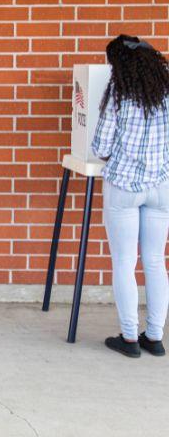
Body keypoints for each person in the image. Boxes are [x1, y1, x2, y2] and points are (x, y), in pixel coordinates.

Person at [92, 34, 169, 358]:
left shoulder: (119, 94)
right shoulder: (166, 91)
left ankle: (128, 338)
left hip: (124, 186)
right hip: (161, 185)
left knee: (124, 261)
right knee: (155, 261)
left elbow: (101, 147)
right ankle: (154, 336)